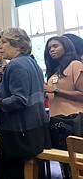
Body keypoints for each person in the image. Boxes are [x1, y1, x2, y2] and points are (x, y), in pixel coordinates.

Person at [0, 27, 51, 179]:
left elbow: (19, 100)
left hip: (18, 136)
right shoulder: (34, 64)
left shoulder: (16, 65)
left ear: (18, 45)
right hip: (34, 132)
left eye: (4, 42)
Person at [43, 36, 83, 179]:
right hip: (57, 125)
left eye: (55, 46)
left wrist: (55, 90)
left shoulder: (75, 65)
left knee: (78, 167)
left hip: (75, 123)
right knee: (65, 167)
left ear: (65, 46)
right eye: (49, 48)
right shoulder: (52, 74)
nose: (52, 50)